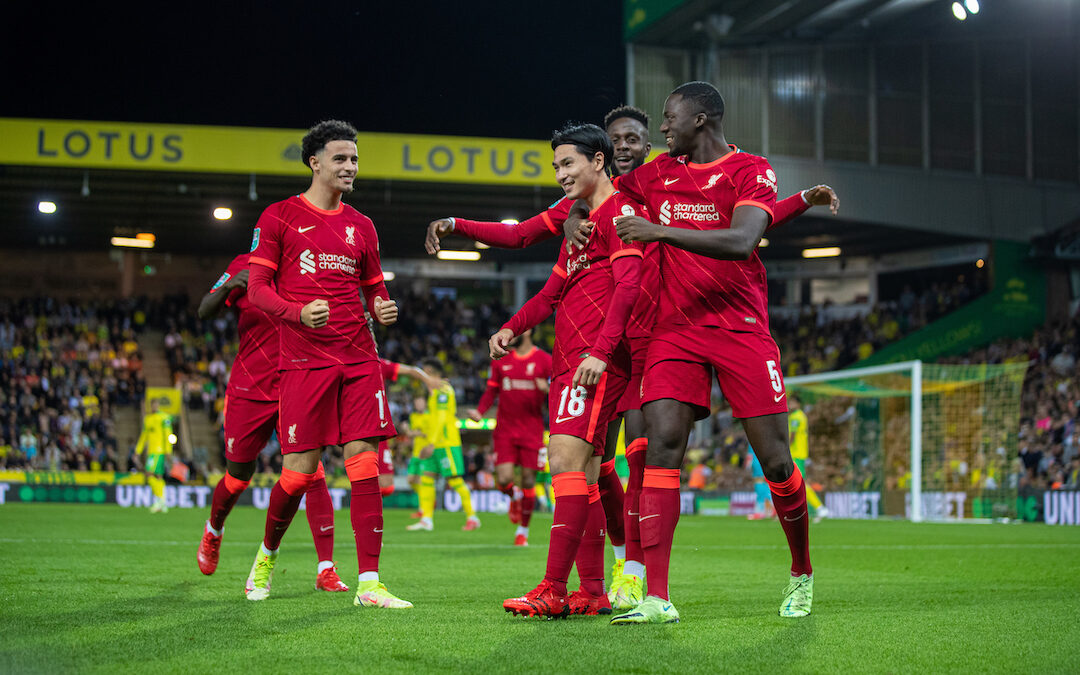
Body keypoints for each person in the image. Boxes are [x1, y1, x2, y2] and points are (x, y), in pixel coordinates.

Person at [424, 105, 837, 611]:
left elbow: (748, 222)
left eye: (636, 137)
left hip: (689, 334)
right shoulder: (621, 195)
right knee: (609, 463)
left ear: (650, 145)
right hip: (656, 338)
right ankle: (629, 578)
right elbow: (535, 231)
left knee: (719, 459)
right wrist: (566, 214)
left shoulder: (675, 181)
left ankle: (771, 570)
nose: (626, 145)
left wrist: (800, 200)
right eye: (616, 138)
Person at [609, 81, 814, 624]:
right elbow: (603, 196)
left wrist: (658, 229)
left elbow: (743, 239)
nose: (663, 128)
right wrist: (578, 221)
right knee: (662, 447)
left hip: (741, 328)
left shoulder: (750, 169)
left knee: (775, 460)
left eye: (670, 118)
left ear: (701, 119)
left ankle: (801, 572)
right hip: (676, 331)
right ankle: (658, 597)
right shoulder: (654, 175)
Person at [242, 119, 411, 608]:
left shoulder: (363, 226)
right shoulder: (277, 218)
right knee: (297, 474)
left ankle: (370, 584)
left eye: (354, 159)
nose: (350, 166)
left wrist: (383, 306)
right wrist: (297, 312)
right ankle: (266, 558)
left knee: (364, 466)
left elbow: (375, 288)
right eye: (341, 158)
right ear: (314, 162)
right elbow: (256, 291)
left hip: (359, 357)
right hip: (303, 361)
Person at [498, 122, 643, 618]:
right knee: (581, 473)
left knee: (563, 460)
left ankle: (553, 589)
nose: (560, 174)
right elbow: (550, 294)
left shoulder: (620, 213)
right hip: (570, 361)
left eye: (568, 163)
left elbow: (628, 288)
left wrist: (600, 352)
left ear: (598, 161)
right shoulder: (579, 228)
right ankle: (593, 591)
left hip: (591, 362)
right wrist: (511, 328)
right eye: (556, 165)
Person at [194, 248, 349, 593]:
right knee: (237, 477)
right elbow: (204, 311)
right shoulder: (244, 266)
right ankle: (214, 529)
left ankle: (326, 569)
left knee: (312, 473)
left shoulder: (308, 268)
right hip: (249, 387)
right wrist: (231, 284)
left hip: (296, 385)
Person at [467, 328, 552, 546]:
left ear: (530, 331)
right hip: (505, 429)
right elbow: (490, 391)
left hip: (532, 430)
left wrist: (549, 390)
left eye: (515, 332)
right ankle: (513, 495)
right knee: (504, 479)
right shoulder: (500, 359)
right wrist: (480, 411)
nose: (509, 337)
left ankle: (522, 531)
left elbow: (561, 392)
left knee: (528, 480)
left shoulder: (545, 360)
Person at [406, 358, 480, 532]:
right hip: (435, 443)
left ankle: (472, 517)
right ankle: (426, 519)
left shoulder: (443, 390)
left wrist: (431, 442)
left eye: (424, 372)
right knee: (426, 477)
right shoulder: (434, 391)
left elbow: (440, 419)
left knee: (454, 480)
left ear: (431, 372)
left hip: (446, 443)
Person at [789, 394, 828, 522]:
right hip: (797, 454)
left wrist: (783, 450)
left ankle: (820, 508)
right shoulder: (797, 416)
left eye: (792, 402)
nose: (789, 405)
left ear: (798, 404)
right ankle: (795, 511)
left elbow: (792, 437)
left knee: (800, 483)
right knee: (794, 484)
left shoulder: (797, 416)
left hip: (796, 454)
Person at [135, 397, 173, 513]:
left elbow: (168, 434)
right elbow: (144, 436)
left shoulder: (164, 418)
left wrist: (168, 451)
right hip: (151, 451)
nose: (154, 407)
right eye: (152, 405)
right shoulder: (148, 419)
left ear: (158, 405)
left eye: (156, 405)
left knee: (149, 473)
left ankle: (159, 501)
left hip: (159, 451)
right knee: (158, 476)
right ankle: (162, 502)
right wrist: (138, 451)